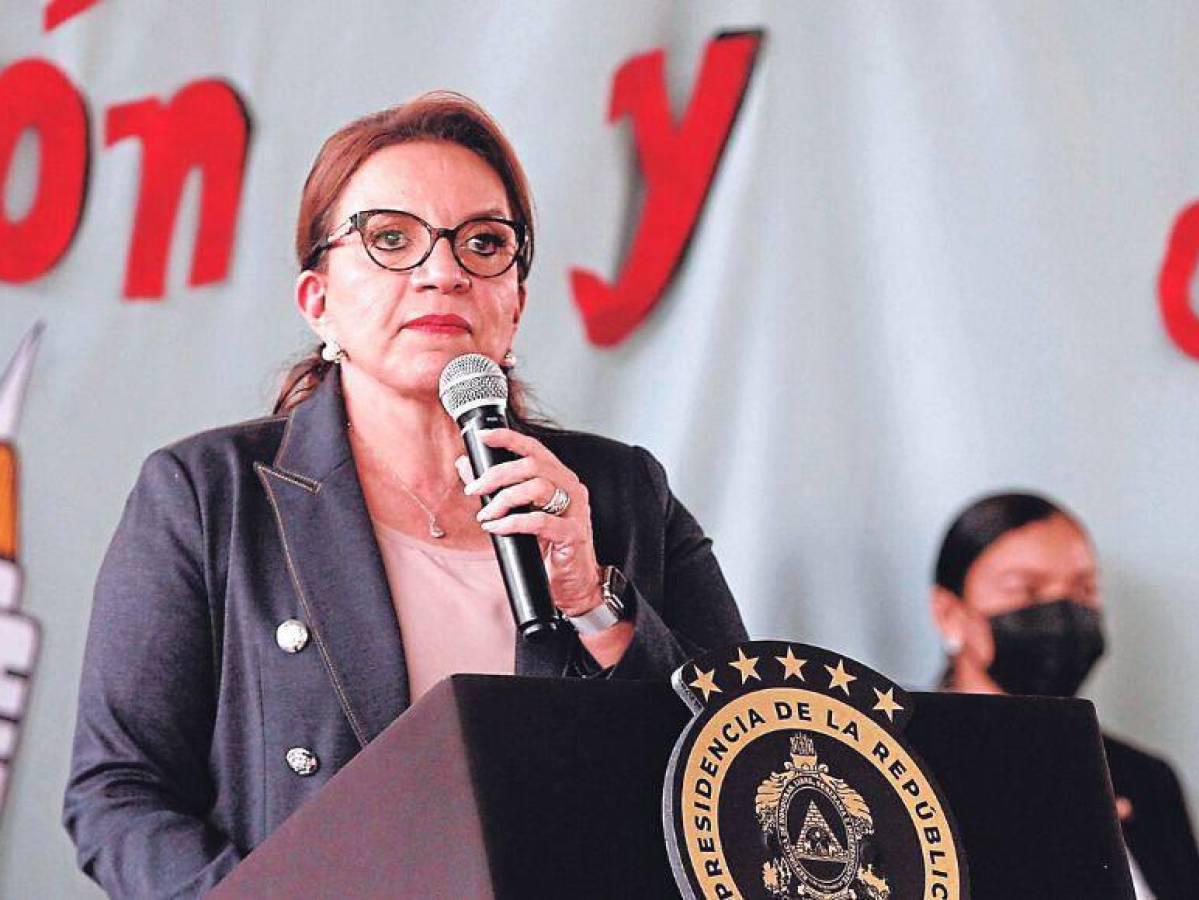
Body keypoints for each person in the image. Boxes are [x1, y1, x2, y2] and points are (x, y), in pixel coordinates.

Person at [62, 93, 747, 897]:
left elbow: (738, 759)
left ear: (516, 304)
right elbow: (118, 790)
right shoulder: (207, 494)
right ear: (318, 301)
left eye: (484, 243)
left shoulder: (623, 493)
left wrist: (595, 604)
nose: (443, 272)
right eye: (390, 239)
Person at [930, 491, 1199, 899]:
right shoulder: (907, 768)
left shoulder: (1145, 780)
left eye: (1084, 590)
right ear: (950, 613)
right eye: (1026, 591)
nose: (1062, 613)